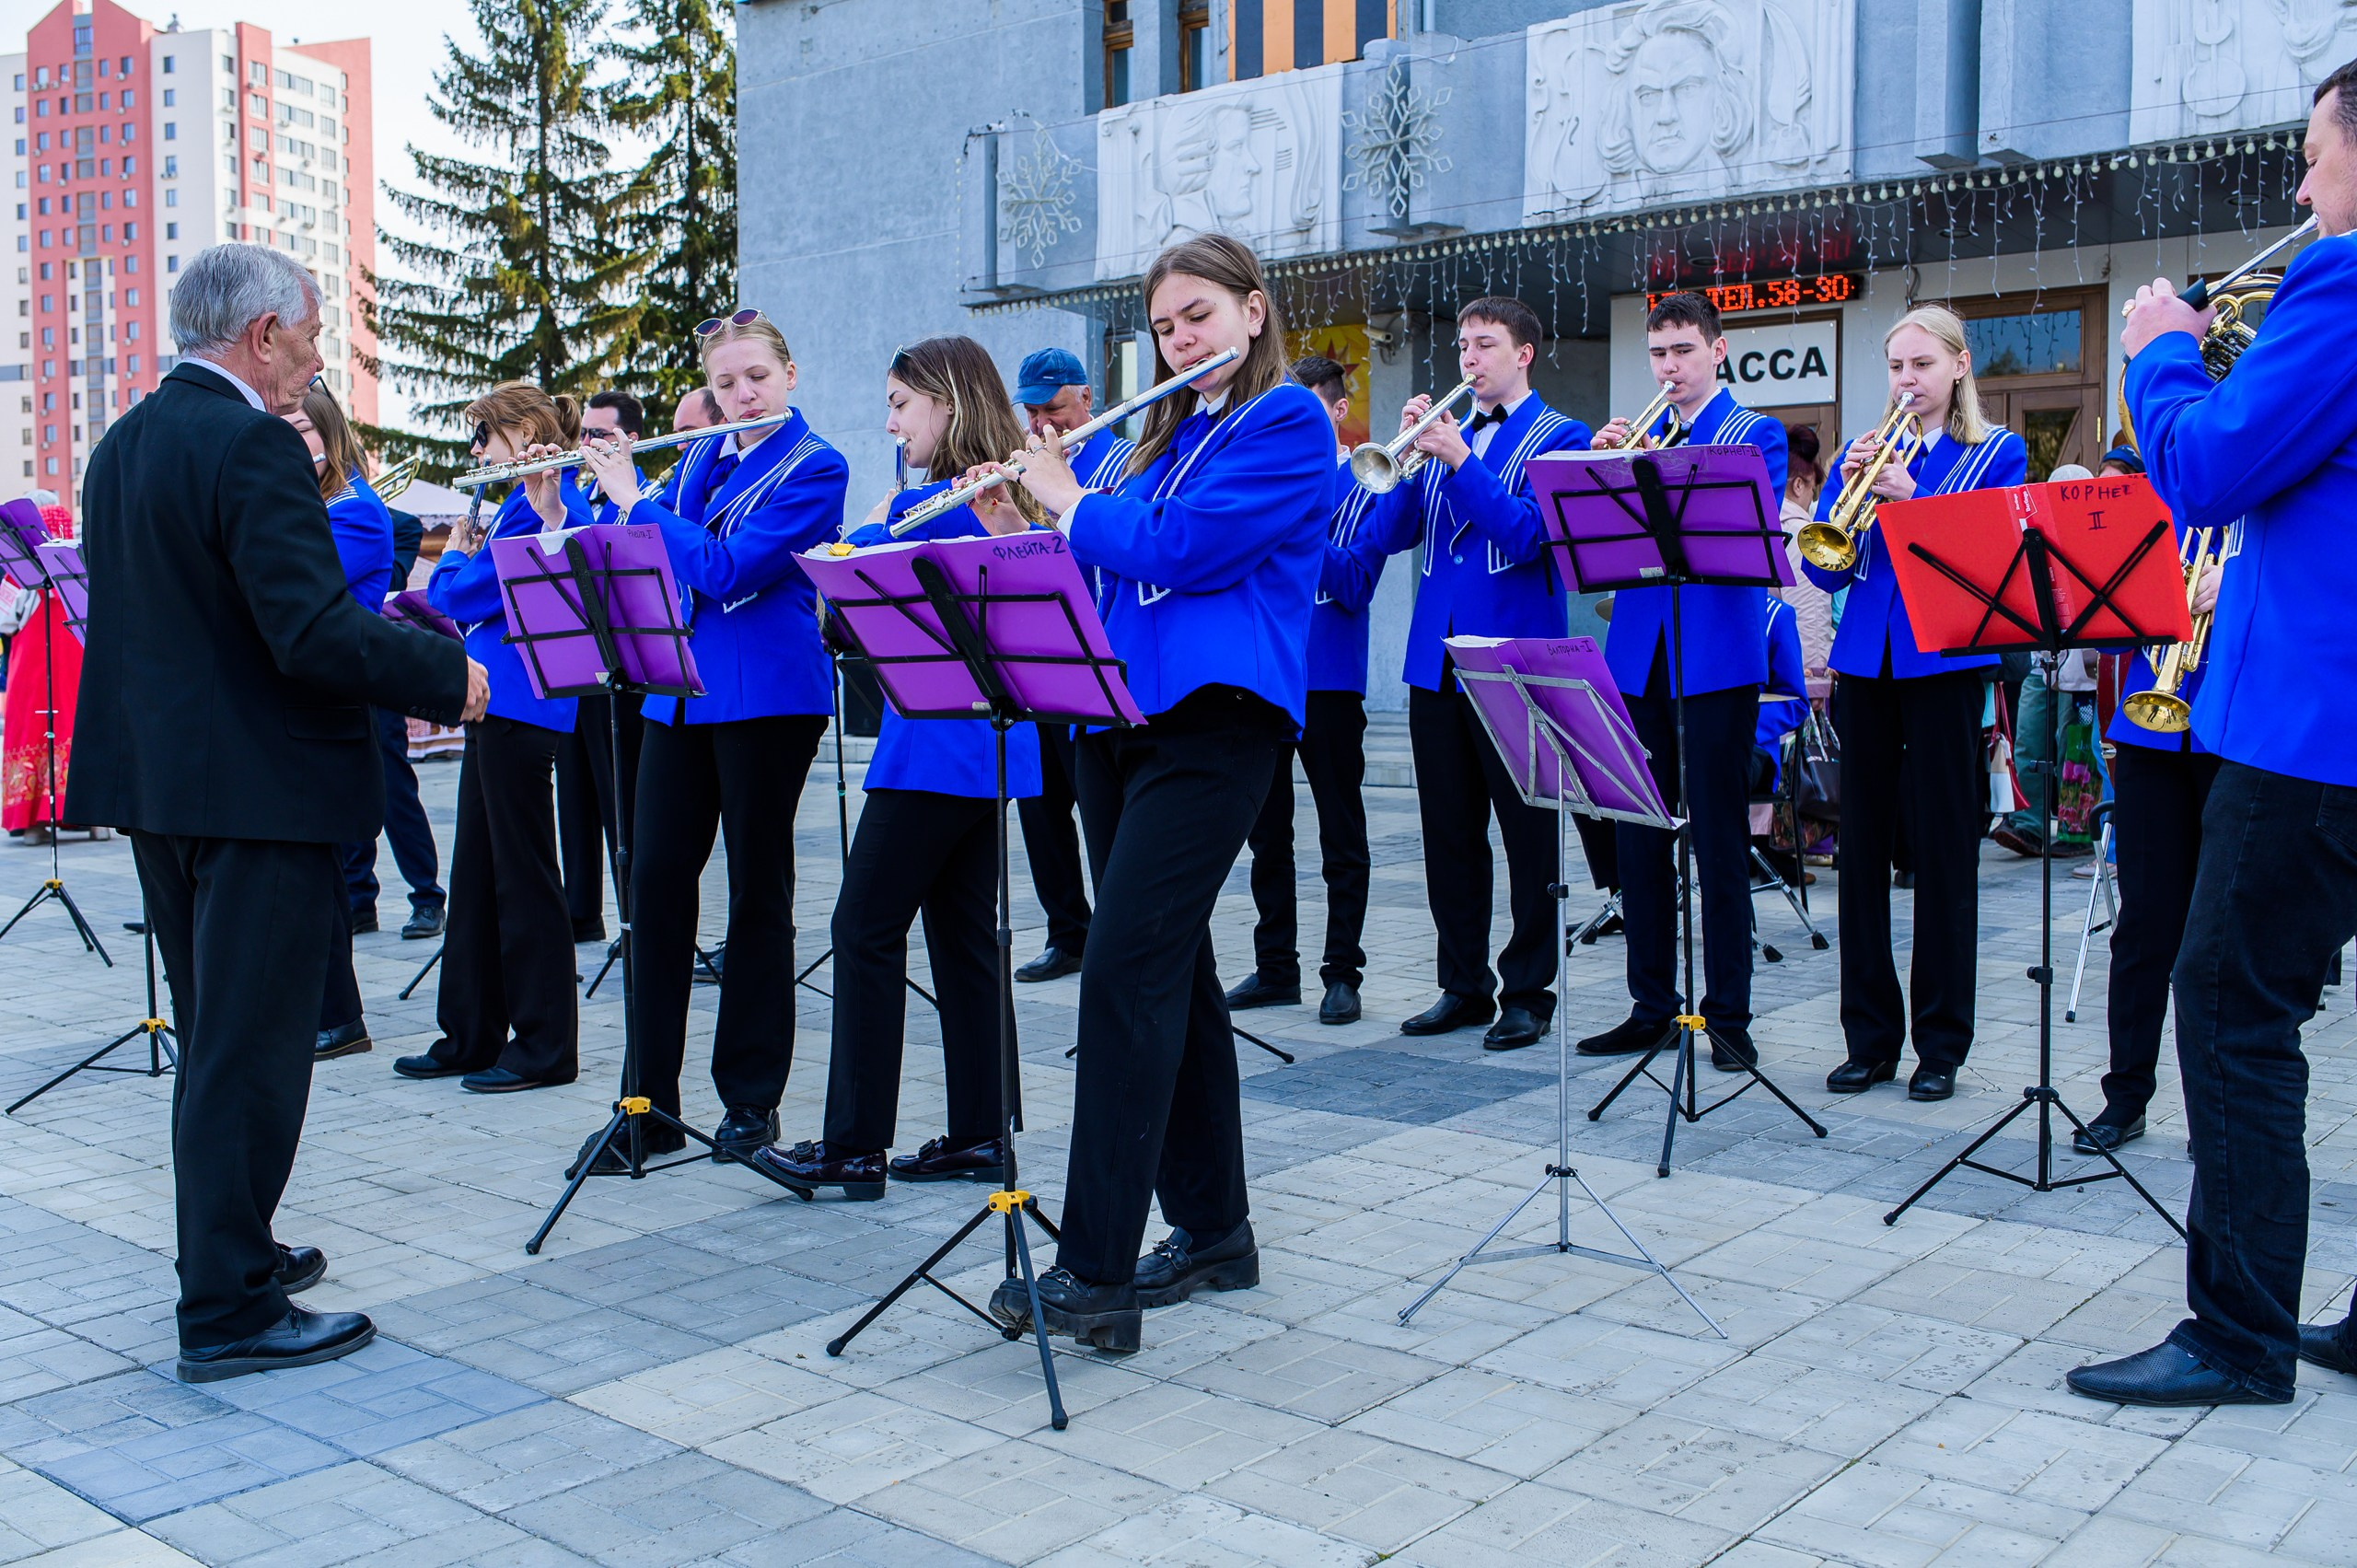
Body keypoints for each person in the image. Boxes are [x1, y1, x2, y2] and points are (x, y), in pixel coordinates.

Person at [65, 242, 482, 1382]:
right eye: (308, 334)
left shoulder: (125, 440)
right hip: (257, 791)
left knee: (214, 1041)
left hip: (166, 789)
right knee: (248, 1057)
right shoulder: (251, 441)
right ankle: (228, 1309)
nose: (314, 356)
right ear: (260, 334)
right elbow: (307, 631)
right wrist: (447, 678)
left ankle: (236, 1248)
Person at [2068, 61, 2357, 1411]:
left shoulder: (2343, 282)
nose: (2300, 187)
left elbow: (2208, 468)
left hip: (2314, 726)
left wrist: (2160, 347)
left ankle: (2239, 1331)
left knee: (2235, 1009)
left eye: (2313, 155)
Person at [984, 234, 1332, 1351]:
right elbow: (1108, 568)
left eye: (1198, 315)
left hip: (1214, 722)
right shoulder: (1162, 434)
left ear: (1252, 309)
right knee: (1173, 983)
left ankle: (1093, 1269)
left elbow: (1185, 550)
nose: (1180, 338)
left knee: (1121, 978)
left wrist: (1071, 499)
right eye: (1164, 325)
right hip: (1116, 719)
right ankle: (1216, 1227)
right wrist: (1027, 521)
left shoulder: (1287, 422)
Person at [760, 337, 1046, 1196]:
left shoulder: (960, 502)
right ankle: (980, 1133)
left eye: (899, 403)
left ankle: (853, 1143)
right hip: (975, 746)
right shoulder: (965, 495)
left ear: (947, 402)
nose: (889, 422)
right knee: (963, 940)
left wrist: (874, 532)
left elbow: (859, 587)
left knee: (864, 928)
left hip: (938, 742)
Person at [574, 309, 848, 1165]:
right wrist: (598, 504)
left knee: (756, 889)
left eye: (756, 378)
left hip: (768, 694)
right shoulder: (696, 457)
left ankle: (750, 1099)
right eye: (725, 383)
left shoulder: (817, 466)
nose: (741, 395)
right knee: (652, 884)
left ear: (790, 372)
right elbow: (651, 560)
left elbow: (727, 570)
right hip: (676, 693)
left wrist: (639, 501)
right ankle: (647, 1100)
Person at [1330, 296, 1592, 1051]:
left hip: (1517, 659)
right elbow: (1389, 532)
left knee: (1527, 831)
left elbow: (1530, 537)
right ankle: (1462, 982)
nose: (1470, 359)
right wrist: (1406, 460)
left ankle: (1529, 990)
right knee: (1449, 830)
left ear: (1524, 354)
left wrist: (1461, 461)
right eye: (1465, 347)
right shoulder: (1446, 441)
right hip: (1435, 656)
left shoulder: (1561, 435)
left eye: (1486, 345)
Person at [1800, 307, 2026, 1100]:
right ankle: (1869, 1036)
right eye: (1896, 367)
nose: (1906, 382)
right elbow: (1826, 573)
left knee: (1941, 856)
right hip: (1866, 662)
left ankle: (1940, 1043)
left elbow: (1984, 557)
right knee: (1857, 855)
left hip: (1945, 663)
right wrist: (1842, 485)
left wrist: (1911, 491)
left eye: (1922, 366)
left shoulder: (1997, 451)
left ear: (1959, 367)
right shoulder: (1869, 451)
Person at [1577, 291, 1785, 1072]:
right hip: (1639, 656)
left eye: (1683, 351)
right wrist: (1605, 471)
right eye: (1659, 354)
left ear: (1718, 350)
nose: (1669, 367)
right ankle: (1649, 1006)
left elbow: (1746, 534)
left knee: (1718, 838)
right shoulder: (1638, 434)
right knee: (1637, 836)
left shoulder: (1752, 432)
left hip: (1716, 660)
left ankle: (1729, 1012)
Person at [393, 385, 588, 1095]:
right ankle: (470, 1031)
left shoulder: (552, 502)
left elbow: (456, 596)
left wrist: (452, 557)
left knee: (525, 875)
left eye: (484, 437)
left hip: (526, 703)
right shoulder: (513, 502)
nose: (476, 452)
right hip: (493, 702)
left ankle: (545, 1043)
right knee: (476, 872)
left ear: (525, 429)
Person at [1225, 355, 1379, 1026]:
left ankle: (1342, 972)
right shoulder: (1264, 477)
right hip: (1269, 675)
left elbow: (1353, 584)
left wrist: (1299, 513)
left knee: (1341, 832)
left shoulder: (1370, 484)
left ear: (1339, 413)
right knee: (1268, 834)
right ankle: (1274, 967)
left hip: (1333, 683)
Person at [2084, 479, 2220, 1155]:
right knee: (2141, 929)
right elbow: (2103, 626)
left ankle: (2218, 1112)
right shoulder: (2153, 503)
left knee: (2223, 939)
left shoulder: (2272, 500)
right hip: (2151, 731)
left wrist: (2241, 582)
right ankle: (2125, 1096)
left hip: (2235, 727)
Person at [1011, 346, 1134, 984]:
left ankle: (1117, 937)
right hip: (1037, 658)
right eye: (1031, 411)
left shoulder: (1122, 458)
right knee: (1040, 804)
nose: (1041, 424)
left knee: (1099, 808)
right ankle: (1068, 931)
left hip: (1096, 658)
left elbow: (1109, 552)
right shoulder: (1027, 462)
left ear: (1086, 398)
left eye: (1053, 408)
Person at [292, 386, 401, 1063]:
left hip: (335, 701)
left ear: (329, 434)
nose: (289, 436)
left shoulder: (355, 511)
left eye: (301, 426)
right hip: (306, 699)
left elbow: (296, 585)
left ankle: (339, 1016)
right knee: (310, 869)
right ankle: (325, 1012)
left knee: (323, 872)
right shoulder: (316, 503)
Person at [555, 389, 654, 945]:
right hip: (577, 661)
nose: (585, 444)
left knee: (622, 796)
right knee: (575, 791)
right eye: (584, 434)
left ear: (629, 440)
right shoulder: (581, 493)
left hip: (626, 669)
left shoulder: (639, 496)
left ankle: (634, 917)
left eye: (599, 435)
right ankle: (582, 911)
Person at [354, 490, 447, 943]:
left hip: (374, 659)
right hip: (337, 667)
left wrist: (386, 569)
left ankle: (428, 897)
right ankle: (358, 900)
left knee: (393, 785)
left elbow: (408, 525)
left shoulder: (358, 504)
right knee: (345, 785)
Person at [2, 494, 80, 844]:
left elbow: (6, 620)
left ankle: (30, 818)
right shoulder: (77, 570)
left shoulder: (20, 577)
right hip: (71, 666)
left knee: (34, 728)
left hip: (33, 671)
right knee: (72, 726)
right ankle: (83, 816)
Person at [1778, 423, 1835, 690]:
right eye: (1813, 487)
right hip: (1799, 671)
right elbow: (1809, 608)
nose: (1814, 496)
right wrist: (1816, 674)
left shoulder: (1765, 524)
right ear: (1799, 485)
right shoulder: (1802, 533)